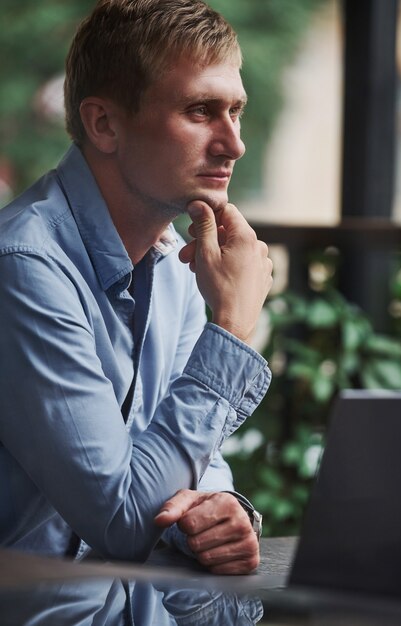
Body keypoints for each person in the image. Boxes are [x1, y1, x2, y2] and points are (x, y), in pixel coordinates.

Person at [0, 0, 273, 583]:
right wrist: (230, 328)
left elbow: (181, 459)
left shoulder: (175, 264)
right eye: (202, 110)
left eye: (237, 111)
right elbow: (124, 520)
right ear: (104, 124)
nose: (234, 143)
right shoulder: (23, 267)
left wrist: (220, 510)